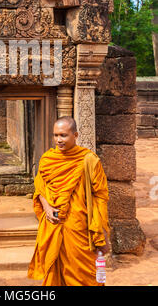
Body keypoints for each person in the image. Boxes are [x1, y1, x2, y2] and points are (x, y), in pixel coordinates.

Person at [27, 116, 110, 286]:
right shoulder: (47, 159)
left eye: (63, 135)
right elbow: (40, 188)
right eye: (55, 135)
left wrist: (101, 230)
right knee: (55, 269)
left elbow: (101, 196)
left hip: (79, 225)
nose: (59, 140)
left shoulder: (89, 160)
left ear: (76, 135)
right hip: (54, 223)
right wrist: (46, 207)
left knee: (85, 274)